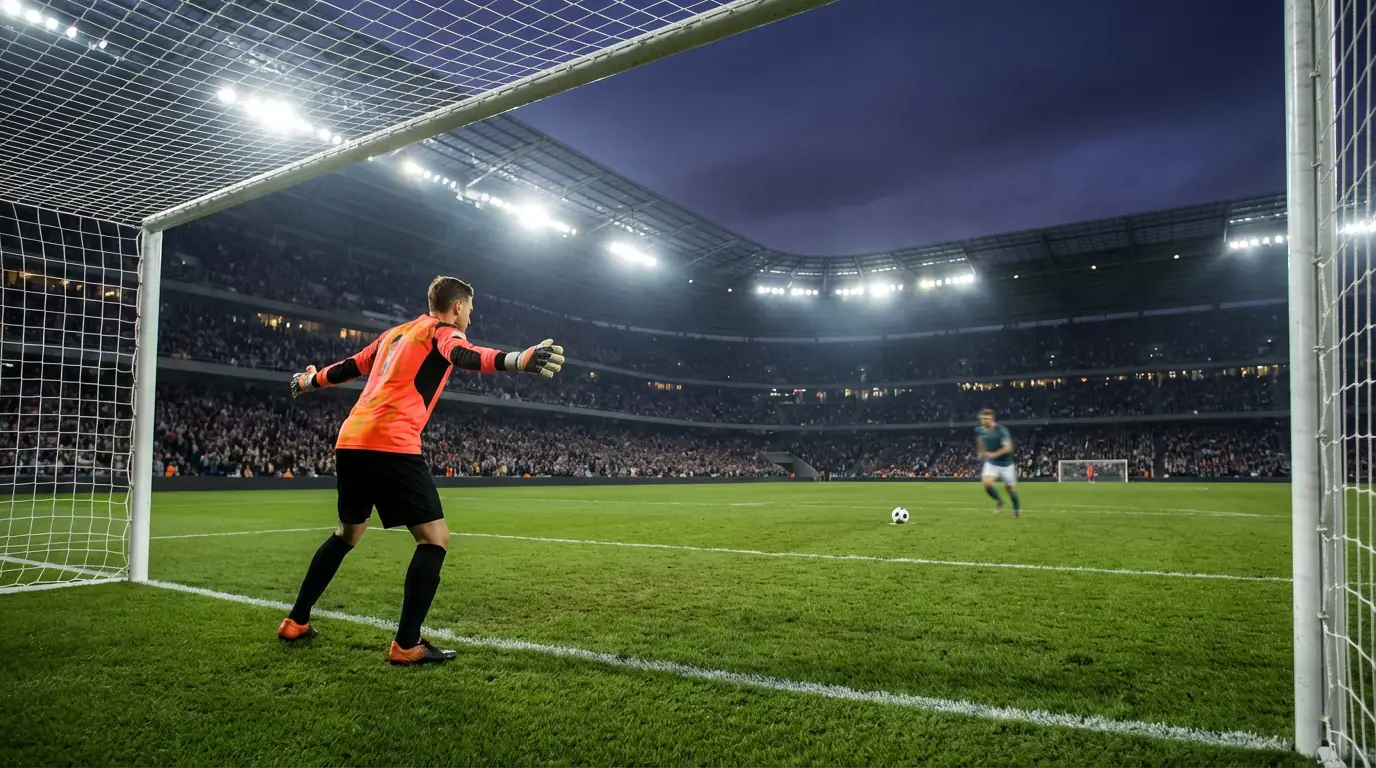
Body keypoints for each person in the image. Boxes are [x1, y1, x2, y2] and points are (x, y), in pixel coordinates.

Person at [276, 276, 564, 665]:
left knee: (347, 533)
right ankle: (406, 644)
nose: (471, 317)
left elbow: (348, 367)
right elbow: (465, 356)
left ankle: (296, 621)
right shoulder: (442, 332)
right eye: (471, 310)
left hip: (352, 439)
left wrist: (309, 381)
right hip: (391, 442)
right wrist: (519, 360)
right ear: (458, 306)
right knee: (434, 539)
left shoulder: (393, 335)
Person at [975, 408, 1021, 519]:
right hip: (991, 463)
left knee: (1010, 489)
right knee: (987, 483)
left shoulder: (1001, 430)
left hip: (1006, 464)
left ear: (992, 419)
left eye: (986, 418)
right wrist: (980, 452)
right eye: (982, 419)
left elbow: (1008, 447)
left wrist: (994, 454)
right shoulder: (980, 430)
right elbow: (980, 440)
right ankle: (999, 501)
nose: (984, 421)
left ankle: (1016, 510)